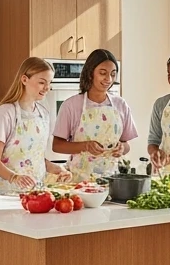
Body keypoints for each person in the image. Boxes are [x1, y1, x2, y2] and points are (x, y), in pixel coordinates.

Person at [0, 57, 69, 195]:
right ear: (24, 79)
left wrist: (56, 168)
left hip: (35, 193)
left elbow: (32, 158)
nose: (47, 88)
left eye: (49, 83)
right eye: (42, 82)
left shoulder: (43, 114)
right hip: (6, 193)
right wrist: (14, 177)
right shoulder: (5, 113)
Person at [52, 49, 138, 180]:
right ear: (90, 73)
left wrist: (121, 148)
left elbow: (126, 145)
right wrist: (85, 146)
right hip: (79, 181)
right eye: (103, 73)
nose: (108, 79)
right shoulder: (71, 105)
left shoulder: (120, 104)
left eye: (113, 74)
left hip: (113, 179)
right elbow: (57, 145)